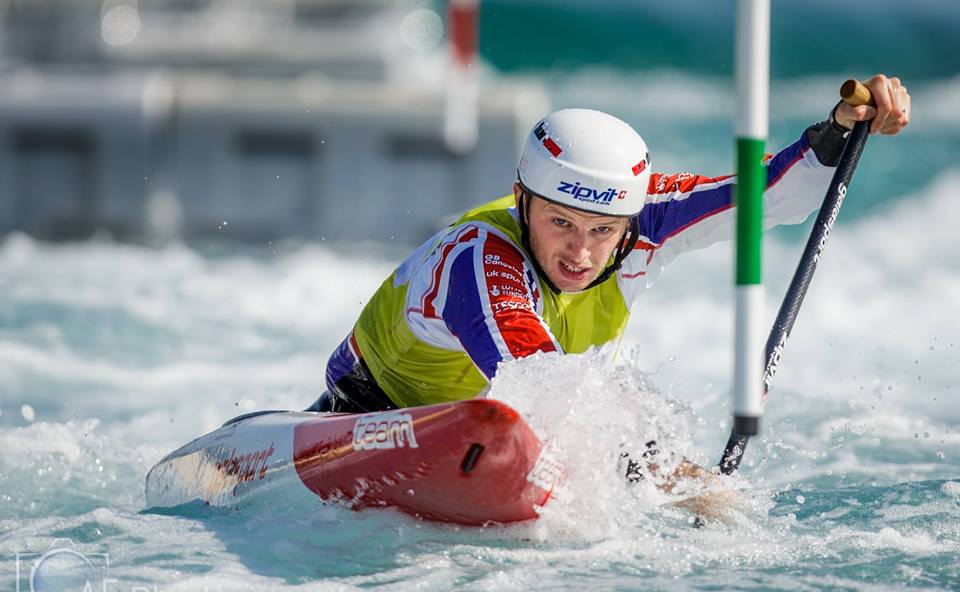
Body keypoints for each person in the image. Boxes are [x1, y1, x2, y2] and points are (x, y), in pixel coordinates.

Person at [312, 74, 910, 419]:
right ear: (522, 199)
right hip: (367, 415)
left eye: (603, 231)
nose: (581, 252)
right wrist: (657, 472)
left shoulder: (646, 216)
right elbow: (543, 386)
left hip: (492, 429)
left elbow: (771, 192)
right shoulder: (479, 257)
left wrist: (840, 129)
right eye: (560, 224)